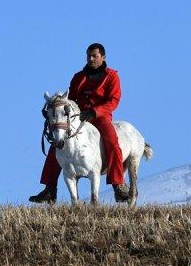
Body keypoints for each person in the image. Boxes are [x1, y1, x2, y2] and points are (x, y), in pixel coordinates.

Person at [29, 43, 130, 203]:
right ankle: (49, 189)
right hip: (79, 117)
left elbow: (113, 101)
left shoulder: (112, 76)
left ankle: (118, 185)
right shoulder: (78, 77)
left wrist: (94, 112)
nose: (91, 59)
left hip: (100, 118)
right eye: (89, 56)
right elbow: (70, 99)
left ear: (103, 58)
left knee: (112, 142)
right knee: (56, 144)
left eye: (94, 56)